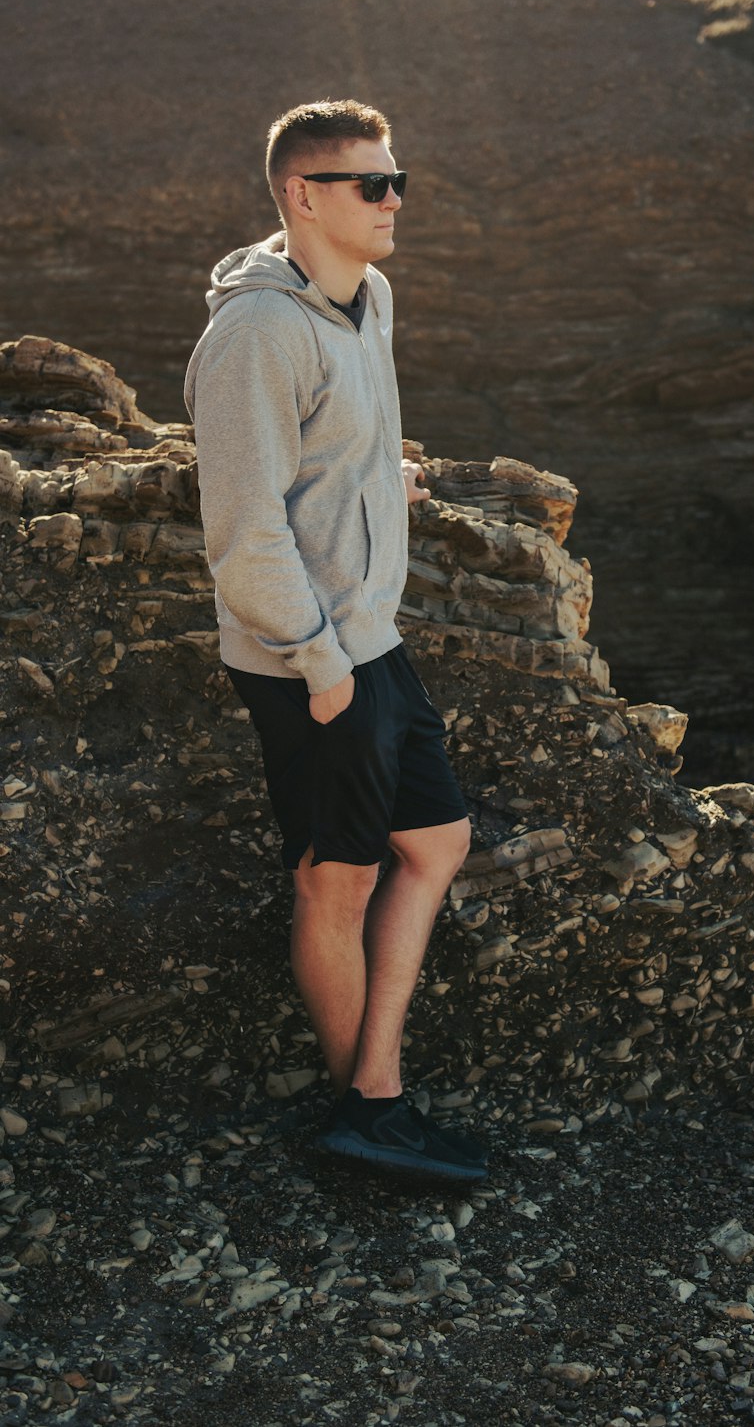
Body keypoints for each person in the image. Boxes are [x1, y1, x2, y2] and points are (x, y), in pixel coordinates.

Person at [184, 99, 486, 1181]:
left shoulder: (371, 299)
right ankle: (371, 1108)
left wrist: (380, 481)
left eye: (398, 179)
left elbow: (339, 443)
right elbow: (244, 529)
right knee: (336, 880)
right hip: (305, 656)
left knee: (437, 840)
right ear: (303, 195)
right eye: (371, 184)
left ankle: (374, 1090)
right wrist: (317, 669)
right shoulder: (256, 333)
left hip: (371, 637)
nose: (394, 200)